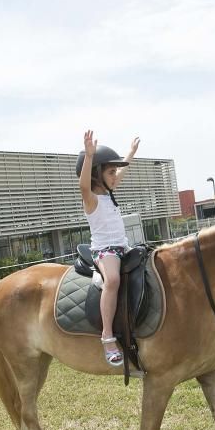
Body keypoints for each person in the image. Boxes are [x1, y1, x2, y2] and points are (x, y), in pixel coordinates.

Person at [77, 130, 139, 367]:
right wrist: (90, 156)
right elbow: (83, 185)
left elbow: (121, 171)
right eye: (110, 172)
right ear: (97, 175)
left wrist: (130, 153)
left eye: (115, 173)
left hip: (123, 247)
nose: (115, 176)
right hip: (105, 251)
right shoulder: (91, 198)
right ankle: (107, 336)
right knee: (112, 280)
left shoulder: (109, 193)